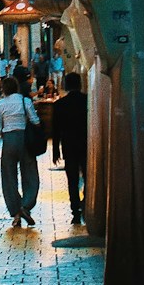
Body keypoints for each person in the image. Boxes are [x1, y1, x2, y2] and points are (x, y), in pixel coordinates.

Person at [0, 75, 41, 228]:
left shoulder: (0, 104)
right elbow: (35, 121)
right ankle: (26, 205)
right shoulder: (25, 101)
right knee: (30, 174)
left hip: (8, 141)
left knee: (8, 177)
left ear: (4, 89)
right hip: (25, 140)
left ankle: (16, 212)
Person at [51, 72, 89, 224]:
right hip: (86, 145)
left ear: (65, 86)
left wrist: (55, 151)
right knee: (88, 177)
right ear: (80, 84)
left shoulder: (59, 105)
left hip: (69, 147)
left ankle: (75, 211)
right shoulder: (87, 101)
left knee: (72, 180)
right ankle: (86, 202)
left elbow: (56, 130)